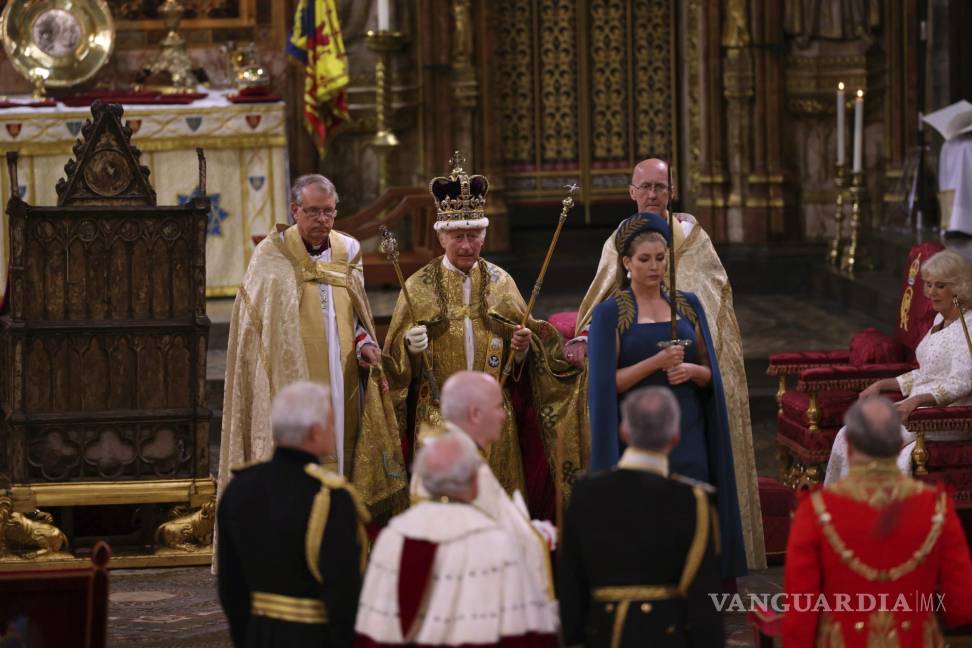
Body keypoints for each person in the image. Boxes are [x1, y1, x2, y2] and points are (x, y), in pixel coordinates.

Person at [569, 157, 764, 570]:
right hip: (636, 423)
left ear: (672, 192)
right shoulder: (615, 281)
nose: (655, 267)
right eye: (646, 187)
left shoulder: (693, 253)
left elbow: (715, 311)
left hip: (686, 420)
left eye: (661, 186)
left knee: (690, 524)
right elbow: (599, 309)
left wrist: (696, 369)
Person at [382, 152, 587, 519]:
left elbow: (528, 353)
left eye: (474, 235)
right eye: (458, 236)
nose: (467, 245)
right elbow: (394, 370)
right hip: (438, 419)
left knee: (500, 515)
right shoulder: (417, 287)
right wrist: (409, 349)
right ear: (442, 238)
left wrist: (522, 351)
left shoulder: (501, 282)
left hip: (495, 422)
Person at [217, 174, 406, 518]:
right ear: (295, 210)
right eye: (313, 211)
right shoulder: (272, 254)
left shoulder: (348, 250)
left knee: (343, 446)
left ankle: (339, 521)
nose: (322, 219)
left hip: (342, 377)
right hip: (290, 379)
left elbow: (355, 314)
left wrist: (364, 343)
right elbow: (255, 330)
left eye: (329, 212)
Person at [586, 212, 746, 580]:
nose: (654, 267)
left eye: (660, 258)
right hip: (637, 434)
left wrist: (692, 372)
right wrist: (655, 363)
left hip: (687, 429)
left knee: (692, 513)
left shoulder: (687, 304)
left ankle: (695, 589)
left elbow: (710, 372)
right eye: (645, 259)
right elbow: (607, 385)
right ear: (626, 263)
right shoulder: (610, 313)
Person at [785, 397, 972, 647]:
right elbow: (961, 607)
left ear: (848, 446)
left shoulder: (815, 511)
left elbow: (800, 618)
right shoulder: (937, 507)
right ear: (898, 445)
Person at [354, 431, 559, 646]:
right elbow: (528, 634)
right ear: (475, 484)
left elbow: (371, 634)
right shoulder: (499, 544)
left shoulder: (392, 540)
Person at [559, 386, 723, 648]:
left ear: (624, 431)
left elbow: (570, 583)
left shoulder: (584, 493)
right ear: (676, 436)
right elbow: (703, 596)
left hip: (601, 635)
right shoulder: (693, 500)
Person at [217, 381, 370, 648]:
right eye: (331, 424)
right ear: (315, 432)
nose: (333, 431)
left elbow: (230, 587)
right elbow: (343, 596)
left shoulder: (240, 487)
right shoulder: (330, 497)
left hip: (257, 636)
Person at [825, 249, 972, 483]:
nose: (931, 292)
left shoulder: (968, 325)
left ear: (958, 287)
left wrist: (915, 401)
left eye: (940, 286)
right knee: (849, 434)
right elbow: (927, 373)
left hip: (944, 416)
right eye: (928, 284)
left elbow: (962, 381)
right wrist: (882, 384)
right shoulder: (940, 320)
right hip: (917, 409)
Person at [410, 370, 557, 604]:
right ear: (475, 414)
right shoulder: (454, 465)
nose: (503, 414)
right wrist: (537, 537)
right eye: (497, 407)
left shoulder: (454, 453)